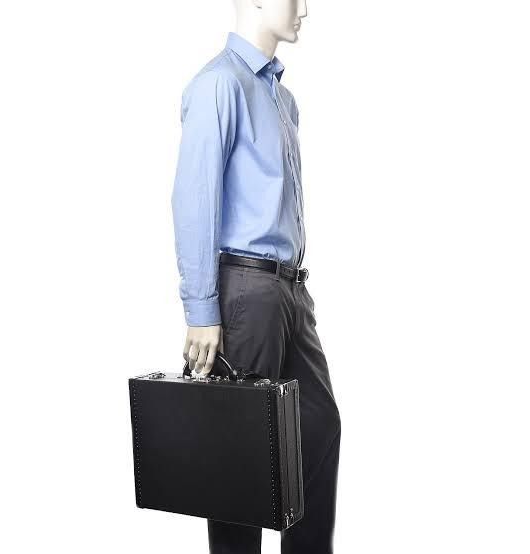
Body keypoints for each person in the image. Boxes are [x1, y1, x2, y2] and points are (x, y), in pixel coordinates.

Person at [171, 1, 341, 552]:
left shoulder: (282, 101)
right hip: (244, 291)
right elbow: (195, 198)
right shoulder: (219, 84)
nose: (305, 8)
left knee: (318, 426)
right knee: (237, 453)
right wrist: (202, 309)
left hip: (291, 289)